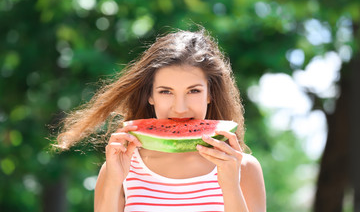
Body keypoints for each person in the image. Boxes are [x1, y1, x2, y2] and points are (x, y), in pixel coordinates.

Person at [55, 28, 266, 212]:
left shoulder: (244, 168)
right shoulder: (120, 168)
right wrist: (114, 181)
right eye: (166, 92)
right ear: (150, 96)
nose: (180, 108)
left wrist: (230, 187)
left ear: (210, 94)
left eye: (193, 91)